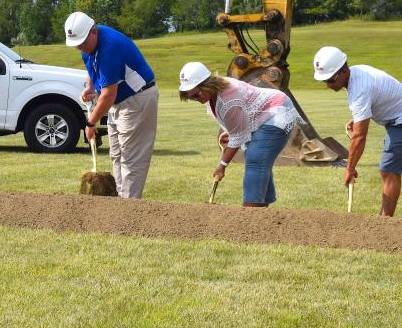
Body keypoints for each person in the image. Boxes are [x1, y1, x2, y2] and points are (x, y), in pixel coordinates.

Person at [178, 62, 300, 207]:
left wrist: (222, 165)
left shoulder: (229, 97)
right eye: (191, 97)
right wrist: (230, 133)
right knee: (257, 159)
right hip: (264, 116)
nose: (196, 100)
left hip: (277, 111)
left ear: (207, 85)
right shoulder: (214, 95)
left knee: (255, 158)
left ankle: (250, 212)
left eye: (196, 95)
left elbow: (238, 136)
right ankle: (260, 210)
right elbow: (238, 126)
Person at [65, 11, 158, 199]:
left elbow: (108, 95)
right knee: (116, 154)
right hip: (119, 102)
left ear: (93, 32)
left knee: (131, 158)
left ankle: (128, 208)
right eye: (76, 45)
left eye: (82, 43)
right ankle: (119, 203)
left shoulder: (110, 47)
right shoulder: (88, 46)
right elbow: (91, 67)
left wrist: (91, 123)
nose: (80, 48)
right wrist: (90, 86)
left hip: (137, 100)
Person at [313, 46, 402, 217]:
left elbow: (359, 137)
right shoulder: (358, 74)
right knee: (391, 170)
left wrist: (350, 168)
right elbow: (378, 98)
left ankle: (384, 224)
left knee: (388, 170)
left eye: (330, 80)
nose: (328, 85)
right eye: (325, 81)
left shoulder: (359, 89)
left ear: (344, 71)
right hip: (396, 120)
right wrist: (358, 118)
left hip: (399, 121)